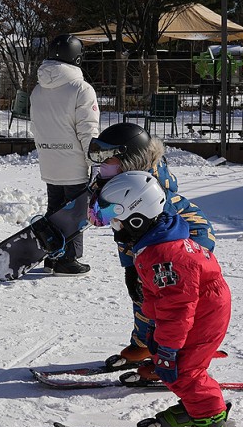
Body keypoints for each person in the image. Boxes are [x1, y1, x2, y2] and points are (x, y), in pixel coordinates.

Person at [90, 171, 232, 427]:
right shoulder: (158, 237)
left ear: (137, 217)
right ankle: (196, 408)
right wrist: (156, 333)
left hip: (202, 312)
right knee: (172, 365)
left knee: (184, 371)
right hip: (201, 306)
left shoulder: (165, 256)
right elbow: (163, 300)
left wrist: (167, 346)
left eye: (112, 217)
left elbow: (177, 309)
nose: (111, 226)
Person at [86, 123, 216, 367]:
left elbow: (145, 233)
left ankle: (173, 356)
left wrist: (140, 268)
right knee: (143, 297)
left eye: (108, 159)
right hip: (152, 247)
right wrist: (130, 268)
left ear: (129, 160)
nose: (102, 164)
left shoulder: (147, 191)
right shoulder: (119, 183)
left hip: (185, 246)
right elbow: (126, 235)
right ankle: (144, 344)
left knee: (170, 303)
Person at [29, 34, 100, 275]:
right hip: (74, 162)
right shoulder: (81, 89)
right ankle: (68, 259)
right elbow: (88, 130)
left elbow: (36, 127)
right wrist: (95, 162)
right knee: (75, 213)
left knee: (55, 209)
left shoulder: (38, 90)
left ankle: (53, 254)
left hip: (49, 160)